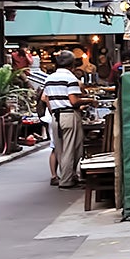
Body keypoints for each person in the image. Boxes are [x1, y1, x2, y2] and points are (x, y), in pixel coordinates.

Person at [43, 51, 87, 189]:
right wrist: (90, 100)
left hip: (56, 116)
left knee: (61, 149)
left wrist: (54, 111)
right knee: (73, 149)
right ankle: (67, 180)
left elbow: (46, 99)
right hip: (69, 114)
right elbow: (74, 101)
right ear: (73, 64)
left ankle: (69, 176)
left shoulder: (49, 78)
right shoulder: (71, 79)